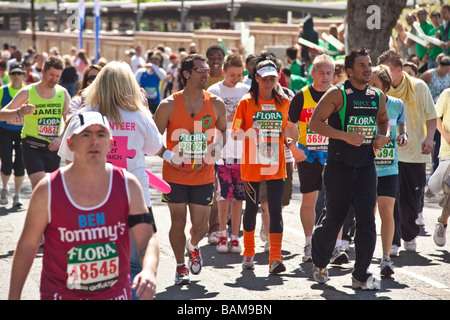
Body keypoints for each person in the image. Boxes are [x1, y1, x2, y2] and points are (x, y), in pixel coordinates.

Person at [9, 111, 159, 300]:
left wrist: (149, 271)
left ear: (111, 144)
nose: (94, 141)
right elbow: (28, 245)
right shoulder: (48, 189)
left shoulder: (128, 185)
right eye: (86, 134)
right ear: (70, 144)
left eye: (101, 134)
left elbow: (147, 238)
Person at [58, 61, 168, 299]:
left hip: (91, 199)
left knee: (94, 268)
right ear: (129, 84)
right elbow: (156, 147)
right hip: (134, 199)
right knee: (136, 267)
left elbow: (68, 160)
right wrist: (144, 109)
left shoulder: (83, 115)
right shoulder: (139, 115)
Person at [309, 47, 390, 289]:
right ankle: (320, 261)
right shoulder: (338, 93)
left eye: (369, 65)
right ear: (350, 70)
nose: (368, 69)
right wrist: (345, 136)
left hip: (365, 166)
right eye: (362, 65)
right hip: (339, 166)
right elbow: (314, 123)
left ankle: (360, 274)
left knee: (367, 221)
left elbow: (384, 121)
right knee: (334, 219)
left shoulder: (377, 95)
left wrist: (380, 137)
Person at [154, 54, 227, 285]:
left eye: (207, 69)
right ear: (187, 74)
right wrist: (168, 155)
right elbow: (152, 140)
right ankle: (180, 266)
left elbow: (223, 131)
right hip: (174, 174)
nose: (207, 73)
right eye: (201, 70)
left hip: (203, 174)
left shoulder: (216, 103)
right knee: (177, 222)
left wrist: (217, 145)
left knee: (202, 227)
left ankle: (193, 246)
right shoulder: (168, 105)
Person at [232, 58, 301, 274]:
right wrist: (250, 133)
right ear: (256, 78)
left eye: (273, 78)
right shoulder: (246, 102)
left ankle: (275, 258)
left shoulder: (284, 103)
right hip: (252, 165)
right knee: (251, 208)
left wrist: (292, 144)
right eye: (265, 79)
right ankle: (249, 251)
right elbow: (234, 134)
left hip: (276, 165)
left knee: (275, 210)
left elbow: (290, 134)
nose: (269, 83)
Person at [378, 49, 437, 253]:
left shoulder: (419, 86)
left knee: (412, 200)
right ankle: (393, 241)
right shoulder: (379, 91)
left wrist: (429, 138)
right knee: (390, 199)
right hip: (387, 155)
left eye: (388, 71)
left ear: (400, 70)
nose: (384, 75)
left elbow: (431, 116)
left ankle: (409, 235)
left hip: (414, 154)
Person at [286, 54, 335, 263]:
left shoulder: (338, 95)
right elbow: (288, 127)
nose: (325, 77)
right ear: (312, 74)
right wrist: (293, 148)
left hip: (334, 153)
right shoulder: (301, 96)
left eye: (329, 73)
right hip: (309, 154)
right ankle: (308, 244)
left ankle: (335, 246)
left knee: (336, 201)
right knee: (309, 200)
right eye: (321, 73)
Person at [0, 55, 70, 190]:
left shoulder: (63, 93)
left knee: (51, 190)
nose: (54, 79)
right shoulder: (28, 92)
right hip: (32, 146)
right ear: (43, 71)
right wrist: (19, 112)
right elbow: (2, 115)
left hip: (52, 148)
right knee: (41, 186)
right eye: (51, 75)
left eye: (57, 76)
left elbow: (69, 122)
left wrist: (61, 138)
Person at [206, 53, 248, 253]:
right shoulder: (215, 90)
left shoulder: (246, 90)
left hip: (242, 152)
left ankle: (234, 236)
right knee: (223, 196)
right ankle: (222, 233)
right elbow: (210, 119)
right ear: (223, 72)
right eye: (232, 74)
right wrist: (231, 117)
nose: (236, 78)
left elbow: (251, 118)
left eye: (240, 74)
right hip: (221, 151)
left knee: (239, 197)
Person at [369, 65, 407, 276]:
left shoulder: (396, 105)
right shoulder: (363, 104)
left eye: (374, 85)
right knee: (367, 213)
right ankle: (365, 255)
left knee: (387, 211)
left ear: (385, 86)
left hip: (389, 167)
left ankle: (385, 259)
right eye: (368, 85)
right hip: (367, 168)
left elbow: (402, 128)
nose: (370, 89)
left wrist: (403, 137)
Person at [204, 44, 226, 246]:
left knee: (228, 185)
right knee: (213, 184)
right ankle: (214, 228)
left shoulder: (231, 79)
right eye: (211, 57)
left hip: (232, 137)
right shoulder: (203, 80)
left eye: (218, 56)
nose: (215, 60)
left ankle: (227, 226)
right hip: (209, 136)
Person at [425, 88, 450, 247]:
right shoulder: (447, 94)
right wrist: (446, 135)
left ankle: (442, 221)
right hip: (448, 152)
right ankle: (443, 221)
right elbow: (435, 116)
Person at [0, 63, 26, 207]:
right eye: (14, 73)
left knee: (20, 164)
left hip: (22, 132)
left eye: (19, 73)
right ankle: (4, 187)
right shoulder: (3, 91)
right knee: (6, 163)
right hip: (4, 131)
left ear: (23, 75)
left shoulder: (27, 91)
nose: (17, 76)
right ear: (9, 76)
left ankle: (17, 195)